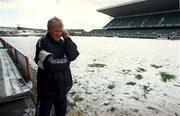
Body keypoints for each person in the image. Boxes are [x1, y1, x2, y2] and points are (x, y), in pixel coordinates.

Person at [34, 16, 79, 116]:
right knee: (44, 113)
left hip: (62, 88)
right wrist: (67, 61)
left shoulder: (63, 42)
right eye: (56, 31)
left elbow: (73, 55)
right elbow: (51, 65)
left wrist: (67, 38)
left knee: (61, 113)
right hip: (47, 90)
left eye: (60, 31)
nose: (59, 33)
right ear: (49, 29)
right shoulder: (42, 42)